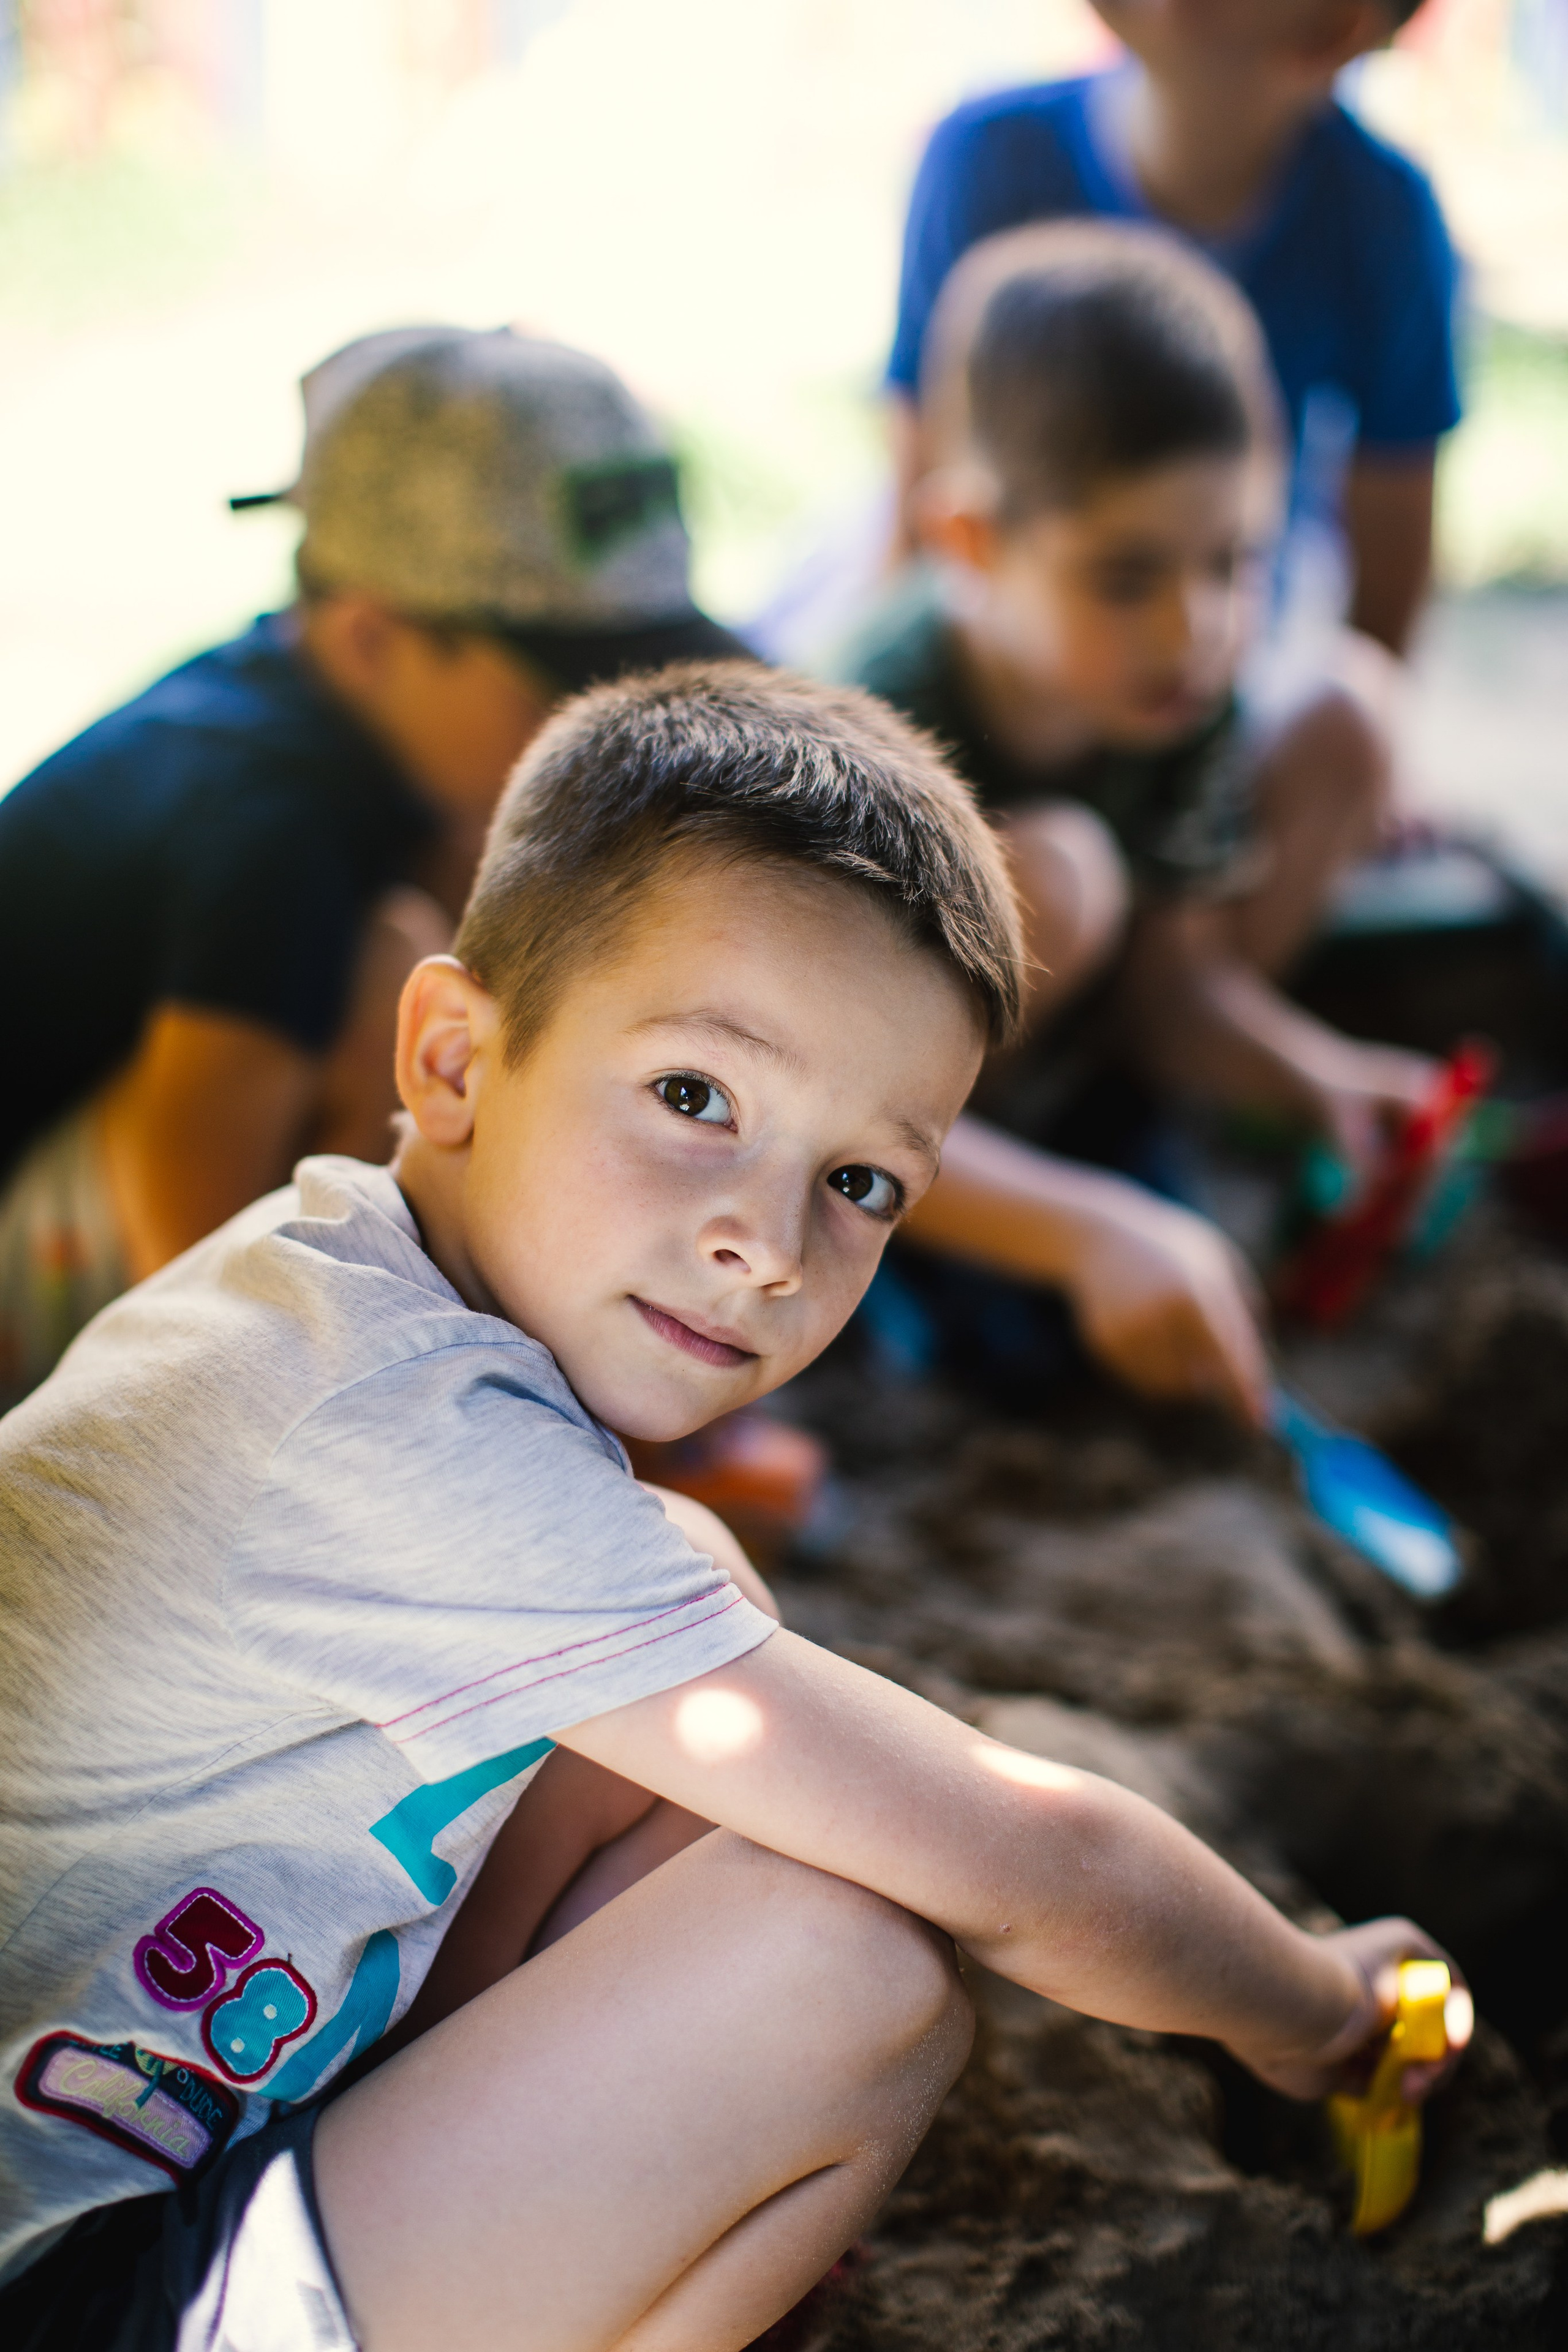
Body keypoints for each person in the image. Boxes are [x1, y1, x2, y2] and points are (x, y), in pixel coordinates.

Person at [0, 663, 1464, 2350]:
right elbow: (1025, 1851)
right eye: (697, 1100)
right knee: (850, 1979)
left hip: (147, 2125)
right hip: (69, 2277)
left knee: (698, 1614)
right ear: (457, 1056)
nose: (768, 1246)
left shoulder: (333, 1293)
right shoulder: (388, 1435)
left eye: (860, 1185)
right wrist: (1322, 2011)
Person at [0, 323, 747, 1413]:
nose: (621, 729)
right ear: (370, 640)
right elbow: (183, 1231)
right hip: (66, 1318)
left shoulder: (332, 725)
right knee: (398, 972)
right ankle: (356, 1409)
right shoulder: (265, 816)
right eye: (568, 686)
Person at [850, 219, 1435, 1384]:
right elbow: (824, 1099)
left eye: (1234, 563)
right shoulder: (878, 727)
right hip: (873, 1115)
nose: (1194, 627)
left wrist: (1315, 1075)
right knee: (1058, 872)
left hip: (1078, 1046)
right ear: (970, 541)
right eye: (1127, 576)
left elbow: (1181, 979)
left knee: (1346, 710)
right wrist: (1087, 1232)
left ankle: (1112, 1135)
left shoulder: (1176, 687)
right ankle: (962, 1228)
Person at [887, 0, 1459, 657]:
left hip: (1219, 635)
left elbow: (1389, 565)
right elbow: (921, 502)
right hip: (1011, 620)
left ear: (1331, 28)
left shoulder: (1384, 215)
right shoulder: (982, 154)